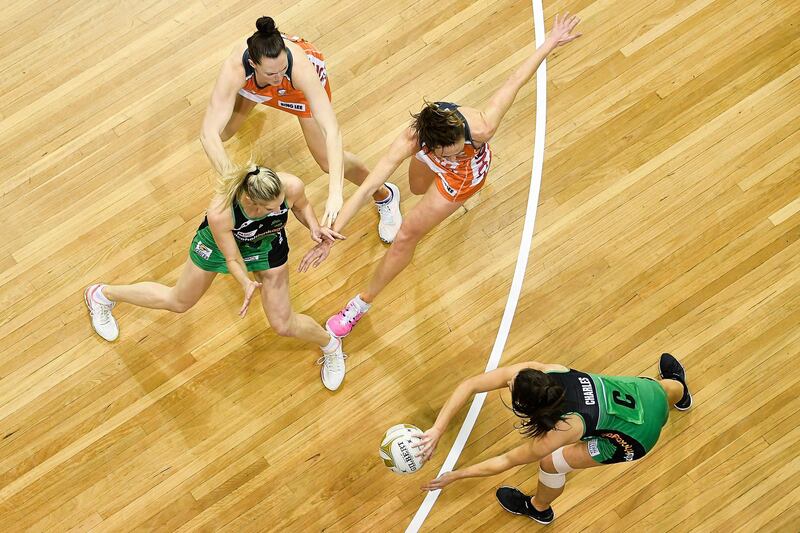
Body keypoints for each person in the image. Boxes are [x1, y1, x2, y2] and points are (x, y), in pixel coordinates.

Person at [299, 13, 582, 340]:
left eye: (455, 147)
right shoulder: (411, 141)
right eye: (444, 152)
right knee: (417, 188)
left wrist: (548, 43)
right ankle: (397, 196)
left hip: (461, 179)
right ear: (428, 144)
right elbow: (367, 187)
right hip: (427, 161)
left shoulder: (482, 126)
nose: (452, 152)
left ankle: (360, 305)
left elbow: (514, 81)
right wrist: (332, 234)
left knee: (407, 234)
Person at [84, 164, 349, 390]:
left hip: (266, 244)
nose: (279, 208)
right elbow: (232, 257)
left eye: (280, 202)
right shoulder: (221, 211)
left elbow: (301, 206)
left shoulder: (290, 185)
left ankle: (331, 345)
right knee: (179, 302)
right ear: (250, 200)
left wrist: (315, 228)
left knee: (282, 324)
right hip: (219, 245)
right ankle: (102, 295)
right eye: (272, 207)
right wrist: (245, 281)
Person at [417, 353, 693, 524]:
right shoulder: (548, 372)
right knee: (664, 388)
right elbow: (471, 384)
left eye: (512, 387)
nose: (509, 381)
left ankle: (538, 508)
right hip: (646, 393)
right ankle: (682, 394)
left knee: (550, 463)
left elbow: (506, 460)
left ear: (527, 407)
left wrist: (456, 475)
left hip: (633, 439)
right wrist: (437, 430)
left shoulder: (565, 428)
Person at [200, 16, 401, 240]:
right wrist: (235, 184)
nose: (278, 77)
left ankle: (385, 194)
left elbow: (332, 130)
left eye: (281, 69)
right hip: (254, 84)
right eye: (271, 73)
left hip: (298, 92)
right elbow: (208, 134)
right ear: (254, 64)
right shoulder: (235, 68)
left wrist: (335, 192)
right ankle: (257, 93)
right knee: (224, 132)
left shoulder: (300, 68)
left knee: (326, 160)